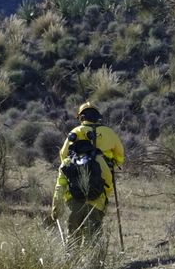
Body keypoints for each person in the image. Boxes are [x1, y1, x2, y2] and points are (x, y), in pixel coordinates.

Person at [50, 101, 125, 239]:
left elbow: (63, 154)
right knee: (94, 230)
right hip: (102, 179)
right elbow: (120, 156)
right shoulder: (109, 133)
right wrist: (110, 164)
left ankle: (74, 250)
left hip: (75, 186)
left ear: (81, 117)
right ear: (97, 117)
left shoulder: (76, 132)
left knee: (73, 233)